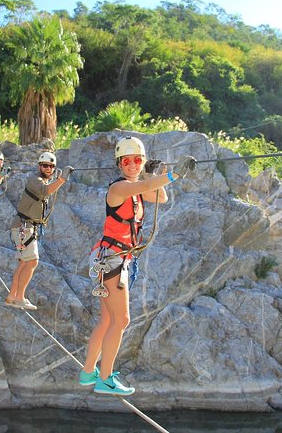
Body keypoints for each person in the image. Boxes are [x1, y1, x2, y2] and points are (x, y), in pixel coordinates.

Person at [79, 136, 196, 396]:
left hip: (114, 258)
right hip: (112, 259)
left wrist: (151, 173)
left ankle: (88, 373)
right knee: (121, 320)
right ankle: (105, 378)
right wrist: (174, 174)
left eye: (137, 160)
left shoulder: (135, 188)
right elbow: (148, 186)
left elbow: (161, 197)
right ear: (119, 164)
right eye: (127, 161)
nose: (132, 165)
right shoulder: (119, 188)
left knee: (108, 319)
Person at [5, 152, 74, 310]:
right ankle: (19, 297)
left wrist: (57, 179)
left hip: (26, 227)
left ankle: (12, 296)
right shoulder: (34, 179)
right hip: (24, 227)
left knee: (24, 262)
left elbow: (47, 188)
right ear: (39, 166)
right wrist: (61, 179)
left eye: (51, 166)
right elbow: (45, 191)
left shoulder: (42, 180)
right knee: (32, 261)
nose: (48, 168)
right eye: (45, 165)